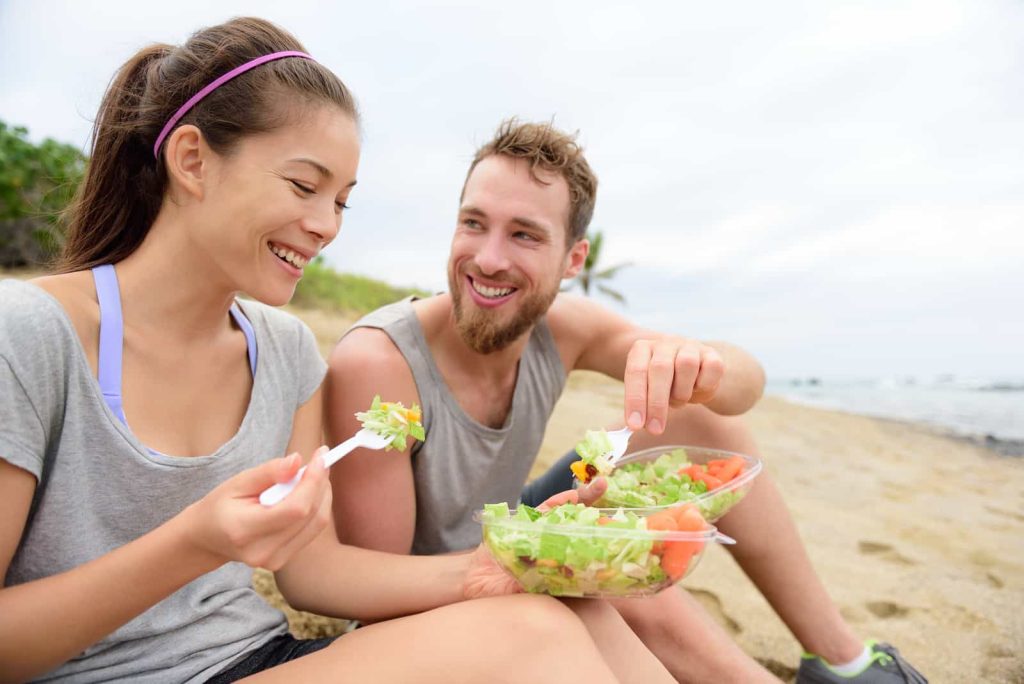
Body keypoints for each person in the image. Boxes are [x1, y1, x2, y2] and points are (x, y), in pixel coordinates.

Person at [0, 20, 675, 683]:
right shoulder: (30, 334)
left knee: (567, 613)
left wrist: (506, 560)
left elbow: (313, 573)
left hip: (263, 655)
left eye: (342, 202)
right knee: (535, 639)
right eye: (303, 186)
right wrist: (194, 543)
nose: (325, 227)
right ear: (192, 160)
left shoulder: (285, 350)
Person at [326, 119, 929, 683]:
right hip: (436, 589)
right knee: (623, 586)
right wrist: (554, 557)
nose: (488, 258)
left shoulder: (564, 328)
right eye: (474, 223)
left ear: (573, 261)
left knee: (693, 409)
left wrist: (701, 363)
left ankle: (843, 662)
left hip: (521, 518)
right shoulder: (381, 364)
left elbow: (746, 385)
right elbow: (376, 594)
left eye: (525, 235)